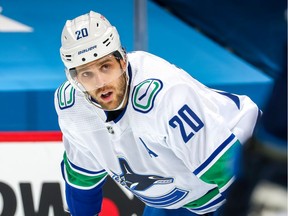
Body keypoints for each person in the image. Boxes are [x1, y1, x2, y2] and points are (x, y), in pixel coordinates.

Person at [55, 11, 260, 216]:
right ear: (75, 80)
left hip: (244, 168)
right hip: (182, 198)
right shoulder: (74, 108)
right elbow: (82, 182)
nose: (101, 83)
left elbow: (227, 173)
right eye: (87, 74)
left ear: (123, 60)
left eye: (106, 66)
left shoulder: (165, 96)